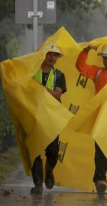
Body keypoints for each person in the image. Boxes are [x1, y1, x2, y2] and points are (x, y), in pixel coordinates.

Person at [76, 40, 107, 195]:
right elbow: (80, 67)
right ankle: (100, 180)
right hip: (100, 119)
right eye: (106, 58)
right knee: (101, 150)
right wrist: (85, 51)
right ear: (102, 59)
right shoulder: (97, 73)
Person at [31, 43, 67, 194]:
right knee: (34, 150)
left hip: (52, 115)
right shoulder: (32, 72)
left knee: (53, 149)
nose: (52, 57)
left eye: (55, 55)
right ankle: (38, 183)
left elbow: (57, 94)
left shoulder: (59, 75)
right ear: (44, 55)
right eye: (49, 54)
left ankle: (49, 171)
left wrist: (39, 87)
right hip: (35, 114)